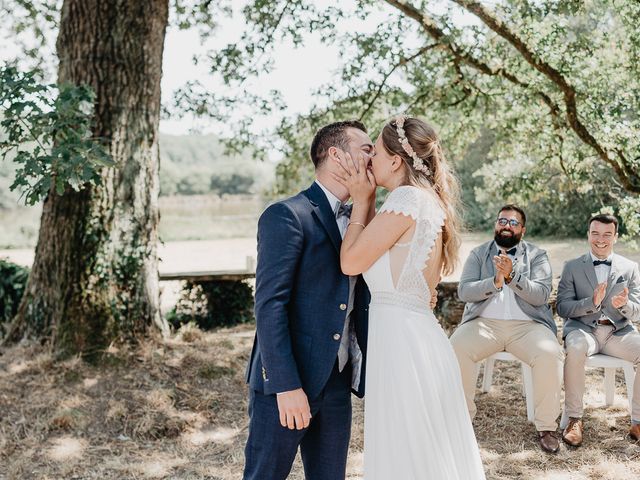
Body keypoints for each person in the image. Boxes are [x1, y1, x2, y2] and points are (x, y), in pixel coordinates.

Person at [332, 115, 485, 479]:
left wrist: (361, 200)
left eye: (377, 154)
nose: (370, 162)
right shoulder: (427, 201)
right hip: (414, 336)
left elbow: (351, 261)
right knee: (418, 448)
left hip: (403, 344)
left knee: (408, 449)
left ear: (397, 161)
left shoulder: (405, 198)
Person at [242, 120, 372, 480]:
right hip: (287, 383)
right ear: (335, 156)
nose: (374, 157)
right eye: (366, 149)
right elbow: (269, 307)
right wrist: (286, 386)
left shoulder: (364, 218)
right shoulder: (287, 215)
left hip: (337, 382)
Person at [449, 205, 564, 453]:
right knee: (456, 347)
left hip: (528, 326)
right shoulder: (479, 254)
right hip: (484, 324)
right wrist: (494, 282)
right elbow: (464, 291)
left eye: (513, 223)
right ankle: (461, 421)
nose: (506, 226)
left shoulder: (537, 255)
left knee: (549, 354)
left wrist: (512, 278)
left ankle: (546, 426)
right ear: (495, 225)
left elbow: (542, 295)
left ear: (522, 229)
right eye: (502, 221)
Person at [557, 213, 640, 446]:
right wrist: (590, 303)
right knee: (574, 349)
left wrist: (624, 305)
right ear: (588, 235)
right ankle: (574, 418)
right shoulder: (572, 266)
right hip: (583, 329)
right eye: (595, 233)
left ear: (616, 236)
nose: (600, 239)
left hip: (618, 332)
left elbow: (638, 310)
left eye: (607, 234)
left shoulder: (630, 267)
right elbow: (562, 307)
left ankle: (638, 421)